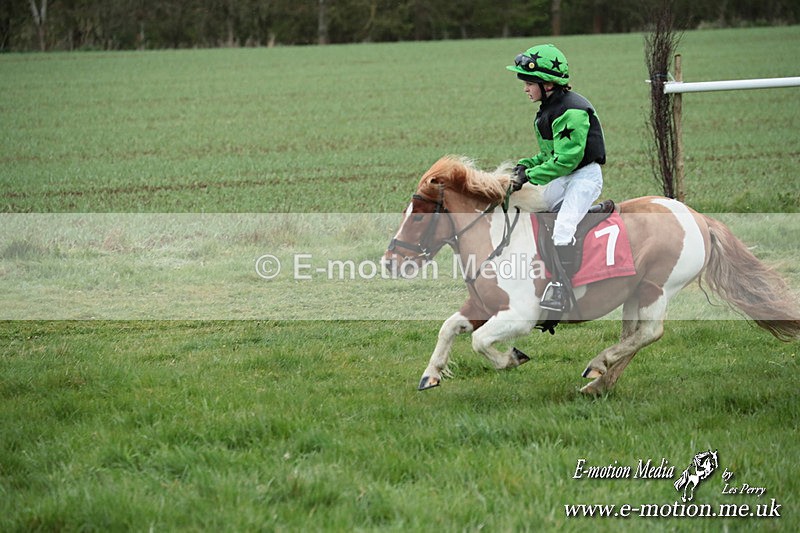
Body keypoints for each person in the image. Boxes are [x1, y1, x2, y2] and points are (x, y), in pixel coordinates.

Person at [506, 43, 606, 313]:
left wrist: (530, 177)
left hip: (583, 177)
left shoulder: (571, 111)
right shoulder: (548, 110)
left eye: (528, 83)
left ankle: (563, 288)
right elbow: (549, 155)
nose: (525, 89)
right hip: (565, 177)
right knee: (532, 213)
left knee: (562, 229)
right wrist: (524, 166)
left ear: (546, 83)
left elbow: (566, 160)